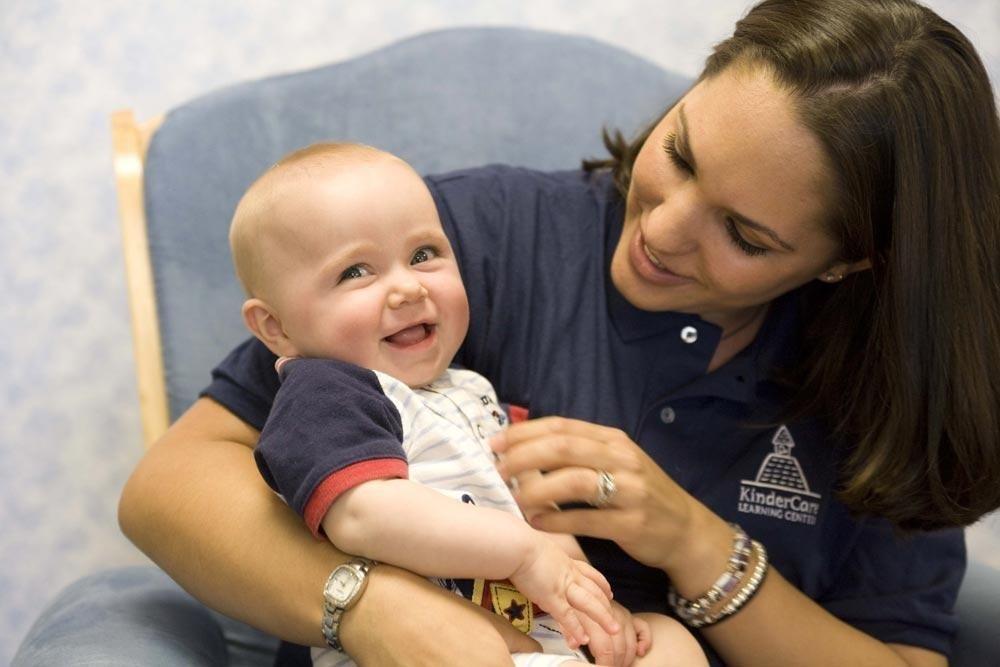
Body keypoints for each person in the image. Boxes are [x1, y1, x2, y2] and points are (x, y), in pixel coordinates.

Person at [119, 1, 1000, 665]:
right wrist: (377, 610)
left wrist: (697, 545)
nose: (660, 229)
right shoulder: (462, 249)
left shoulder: (891, 387)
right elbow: (171, 485)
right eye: (682, 152)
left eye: (744, 235)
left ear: (851, 263)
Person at [226, 142, 704, 666]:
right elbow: (363, 514)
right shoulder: (324, 392)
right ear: (276, 328)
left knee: (667, 640)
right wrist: (521, 552)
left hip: (531, 635)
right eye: (355, 273)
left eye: (423, 255)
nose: (406, 287)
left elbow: (535, 516)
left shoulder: (469, 389)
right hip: (421, 646)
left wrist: (592, 604)